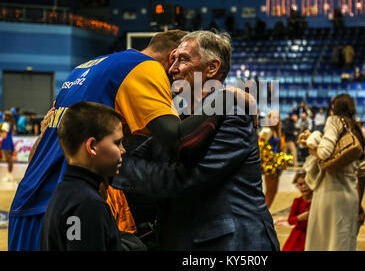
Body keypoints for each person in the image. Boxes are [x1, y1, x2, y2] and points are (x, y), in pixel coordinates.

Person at [8, 30, 219, 251]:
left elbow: (43, 146)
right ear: (173, 56)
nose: (178, 79)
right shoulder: (146, 67)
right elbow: (178, 139)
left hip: (31, 202)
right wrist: (224, 98)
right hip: (74, 210)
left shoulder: (84, 69)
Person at [112, 30, 280, 251]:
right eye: (172, 61)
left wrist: (111, 166)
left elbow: (186, 180)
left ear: (212, 68)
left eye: (183, 59)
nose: (172, 69)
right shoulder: (180, 121)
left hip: (233, 244)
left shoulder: (233, 111)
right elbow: (139, 156)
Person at [40, 102, 124, 251]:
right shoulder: (88, 204)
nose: (123, 150)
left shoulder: (64, 192)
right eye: (117, 143)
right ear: (92, 147)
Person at [303, 94, 365, 251]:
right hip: (350, 197)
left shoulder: (334, 121)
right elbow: (363, 172)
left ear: (333, 108)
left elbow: (324, 153)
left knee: (323, 243)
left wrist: (311, 146)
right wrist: (359, 204)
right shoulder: (357, 129)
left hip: (329, 193)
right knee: (343, 243)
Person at [280, 171, 312, 251]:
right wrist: (299, 218)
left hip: (314, 235)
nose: (303, 186)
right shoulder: (297, 201)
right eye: (300, 184)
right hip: (299, 236)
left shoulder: (317, 200)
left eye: (306, 183)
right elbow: (290, 221)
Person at [259, 110, 284, 209]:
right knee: (270, 192)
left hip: (276, 165)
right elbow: (260, 146)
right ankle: (262, 214)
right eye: (273, 117)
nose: (275, 120)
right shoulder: (266, 131)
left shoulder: (276, 131)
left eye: (277, 118)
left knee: (273, 191)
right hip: (269, 166)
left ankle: (265, 212)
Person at [1, 111, 16, 182]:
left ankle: (9, 176)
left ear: (6, 117)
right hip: (10, 142)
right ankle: (10, 175)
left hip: (6, 142)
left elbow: (4, 136)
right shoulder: (11, 124)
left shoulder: (5, 124)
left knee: (8, 160)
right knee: (10, 160)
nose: (3, 116)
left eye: (4, 115)